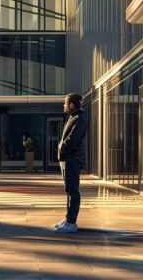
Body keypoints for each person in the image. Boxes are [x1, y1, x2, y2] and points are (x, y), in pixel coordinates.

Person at [53, 93, 87, 233]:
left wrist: (62, 148)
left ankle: (71, 222)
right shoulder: (73, 117)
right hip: (67, 159)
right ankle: (68, 218)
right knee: (69, 190)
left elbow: (72, 140)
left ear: (72, 104)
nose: (64, 106)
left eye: (65, 103)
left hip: (72, 159)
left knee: (72, 190)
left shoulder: (79, 119)